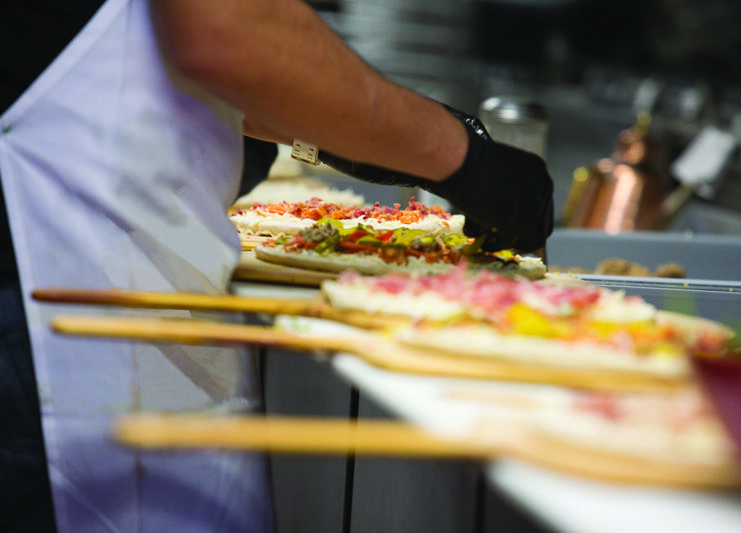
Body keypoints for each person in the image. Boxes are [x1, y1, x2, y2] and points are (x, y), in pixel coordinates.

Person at [0, 0, 553, 531]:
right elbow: (226, 28)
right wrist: (460, 155)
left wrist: (347, 138)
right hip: (46, 295)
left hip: (97, 275)